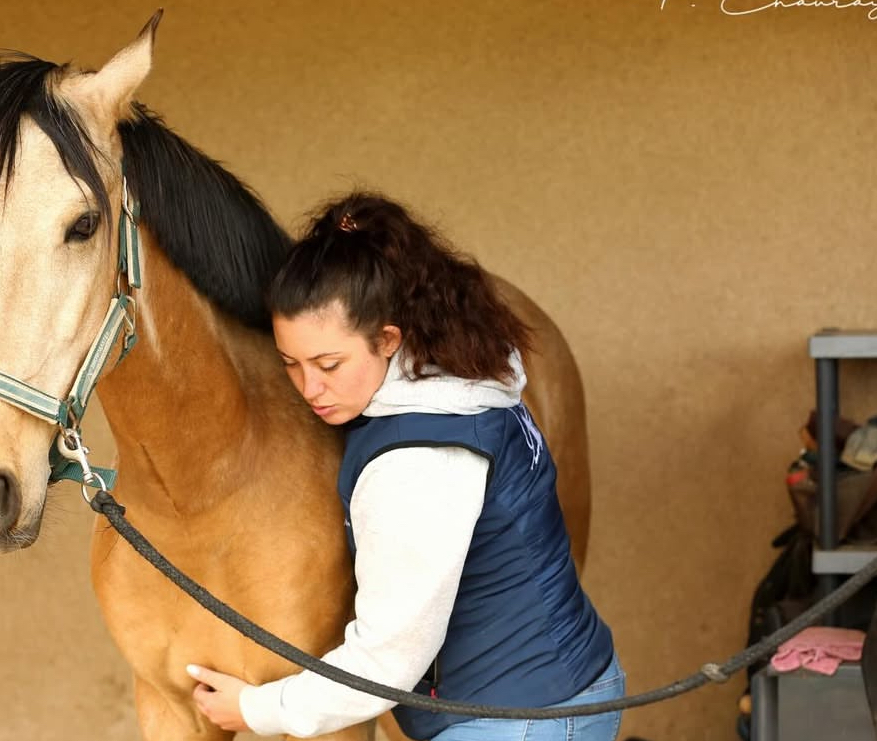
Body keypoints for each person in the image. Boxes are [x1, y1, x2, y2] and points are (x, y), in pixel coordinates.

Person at [187, 192, 622, 741]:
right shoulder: (464, 384)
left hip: (518, 721)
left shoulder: (419, 461)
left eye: (329, 364)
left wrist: (256, 710)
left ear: (388, 339)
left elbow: (387, 660)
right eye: (290, 365)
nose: (309, 389)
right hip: (559, 693)